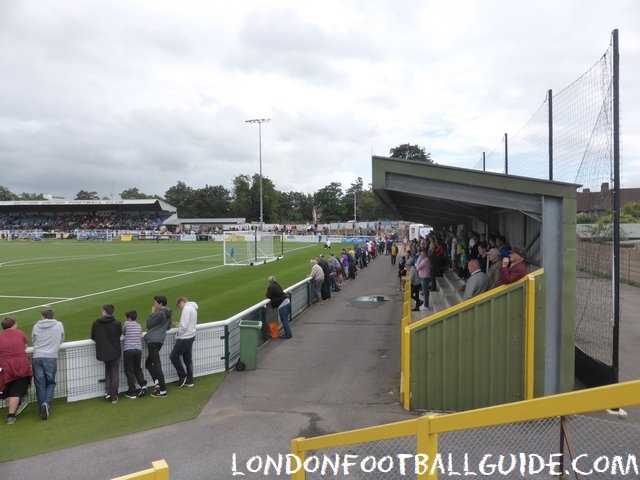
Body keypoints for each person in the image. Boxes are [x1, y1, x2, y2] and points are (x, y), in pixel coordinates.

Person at [31, 308, 65, 419]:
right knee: (50, 382)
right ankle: (46, 404)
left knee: (40, 383)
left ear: (43, 316)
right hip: (50, 357)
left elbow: (33, 340)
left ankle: (42, 407)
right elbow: (61, 339)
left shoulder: (36, 326)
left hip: (37, 356)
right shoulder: (59, 325)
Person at [0, 317, 32, 424]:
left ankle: (13, 409)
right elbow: (25, 346)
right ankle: (11, 415)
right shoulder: (20, 333)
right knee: (16, 391)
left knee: (8, 389)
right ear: (14, 325)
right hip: (21, 365)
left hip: (5, 367)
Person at [91, 304, 122, 404]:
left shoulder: (96, 323)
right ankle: (113, 395)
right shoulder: (117, 323)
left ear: (104, 311)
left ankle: (108, 392)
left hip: (103, 353)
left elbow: (93, 336)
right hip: (114, 352)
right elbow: (119, 334)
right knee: (114, 372)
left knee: (108, 371)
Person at [145, 295, 172, 397]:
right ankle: (157, 383)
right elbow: (168, 327)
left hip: (153, 341)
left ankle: (162, 390)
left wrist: (152, 313)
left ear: (160, 304)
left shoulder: (160, 313)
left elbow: (148, 324)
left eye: (156, 303)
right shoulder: (168, 312)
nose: (154, 305)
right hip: (160, 340)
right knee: (148, 363)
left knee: (157, 365)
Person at [170, 296, 198, 388]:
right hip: (191, 336)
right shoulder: (193, 308)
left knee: (173, 356)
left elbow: (185, 325)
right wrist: (180, 325)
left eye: (179, 306)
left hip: (184, 337)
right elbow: (188, 323)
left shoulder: (186, 309)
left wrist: (179, 331)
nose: (180, 308)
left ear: (181, 302)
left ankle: (183, 376)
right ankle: (190, 380)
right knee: (188, 359)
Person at [122, 310, 148, 399]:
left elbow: (123, 333)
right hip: (138, 350)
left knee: (129, 370)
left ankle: (131, 391)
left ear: (128, 318)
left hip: (129, 350)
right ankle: (143, 385)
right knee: (137, 369)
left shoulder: (126, 324)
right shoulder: (139, 326)